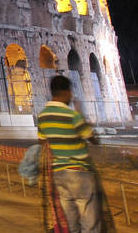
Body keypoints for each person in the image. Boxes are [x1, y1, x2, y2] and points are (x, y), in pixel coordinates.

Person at [36, 74, 103, 233]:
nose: (71, 96)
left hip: (59, 174)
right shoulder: (73, 116)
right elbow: (92, 138)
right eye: (70, 92)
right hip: (80, 172)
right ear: (66, 92)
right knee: (90, 222)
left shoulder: (43, 116)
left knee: (71, 223)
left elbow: (41, 141)